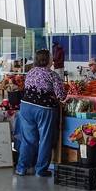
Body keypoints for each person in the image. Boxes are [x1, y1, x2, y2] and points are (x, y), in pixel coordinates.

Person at [15, 49, 66, 177]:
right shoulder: (52, 75)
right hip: (44, 108)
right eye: (51, 58)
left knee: (28, 139)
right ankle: (41, 170)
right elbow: (61, 95)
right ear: (48, 60)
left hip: (26, 106)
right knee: (45, 139)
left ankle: (21, 168)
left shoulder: (30, 72)